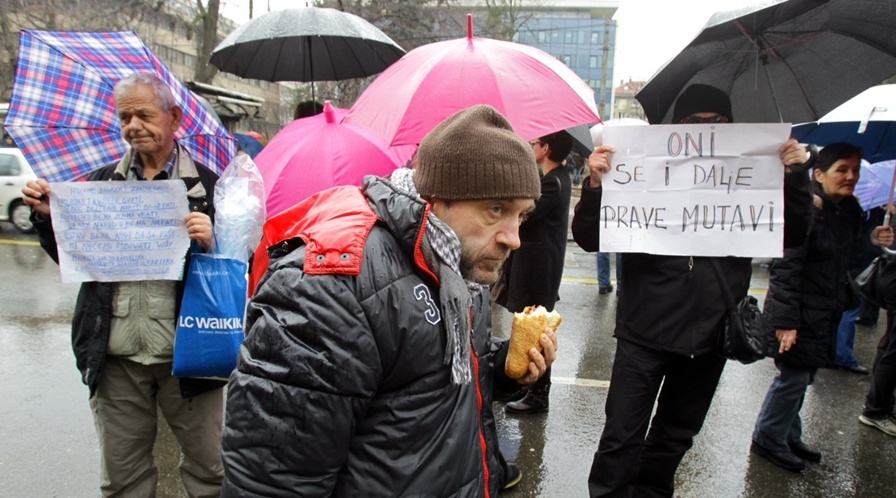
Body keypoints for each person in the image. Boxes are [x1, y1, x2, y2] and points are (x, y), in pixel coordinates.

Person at [220, 105, 558, 497]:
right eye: (495, 209)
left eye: (521, 215)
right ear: (437, 196)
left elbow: (435, 374)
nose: (512, 237)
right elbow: (273, 480)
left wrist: (503, 369)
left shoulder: (460, 262)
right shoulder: (329, 288)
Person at [572, 83, 815, 497]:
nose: (706, 130)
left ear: (731, 126)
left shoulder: (751, 172)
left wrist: (794, 176)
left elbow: (793, 232)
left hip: (709, 335)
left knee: (674, 438)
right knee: (621, 437)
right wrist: (595, 185)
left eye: (717, 122)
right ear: (675, 127)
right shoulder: (646, 169)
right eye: (693, 123)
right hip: (643, 332)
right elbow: (589, 237)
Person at [21, 72, 225, 496]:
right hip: (116, 356)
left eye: (144, 114)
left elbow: (238, 266)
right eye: (125, 116)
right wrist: (47, 217)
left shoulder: (210, 186)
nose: (133, 125)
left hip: (187, 355)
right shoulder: (99, 185)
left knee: (211, 471)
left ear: (173, 117)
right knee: (123, 479)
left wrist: (213, 240)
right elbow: (73, 259)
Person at [752, 143, 894, 472]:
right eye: (842, 170)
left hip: (823, 311)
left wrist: (873, 241)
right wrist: (786, 323)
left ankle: (788, 434)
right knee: (792, 378)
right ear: (818, 174)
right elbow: (786, 269)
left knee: (804, 378)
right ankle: (767, 437)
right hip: (797, 314)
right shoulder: (808, 209)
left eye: (855, 170)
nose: (851, 177)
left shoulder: (850, 211)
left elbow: (850, 261)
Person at [495, 130, 572, 415]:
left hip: (539, 269)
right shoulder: (554, 180)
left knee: (538, 332)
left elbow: (526, 214)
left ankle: (538, 395)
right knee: (534, 328)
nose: (531, 147)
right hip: (538, 266)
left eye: (534, 144)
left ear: (547, 148)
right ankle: (524, 387)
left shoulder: (553, 183)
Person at [834, 206, 886, 374]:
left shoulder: (853, 206)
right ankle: (842, 356)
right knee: (849, 309)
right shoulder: (858, 209)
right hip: (854, 265)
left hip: (851, 263)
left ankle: (837, 353)